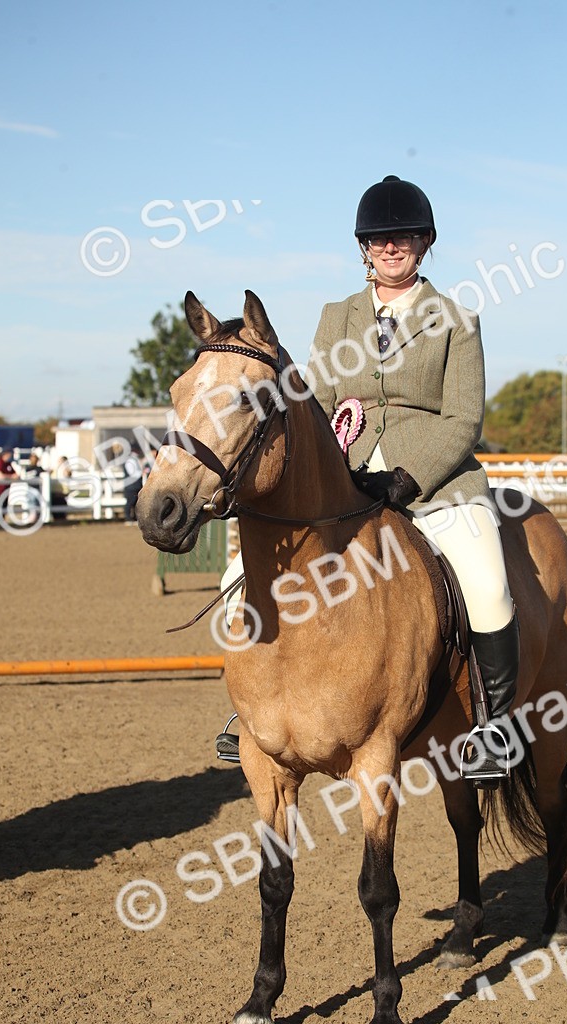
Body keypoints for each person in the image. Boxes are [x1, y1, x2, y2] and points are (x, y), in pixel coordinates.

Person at [220, 176, 518, 782]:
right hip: (347, 482)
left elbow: (464, 418)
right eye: (380, 238)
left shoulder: (456, 318)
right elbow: (318, 399)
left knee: (487, 586)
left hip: (435, 484)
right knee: (236, 578)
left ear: (425, 243)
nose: (392, 247)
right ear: (364, 247)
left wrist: (410, 478)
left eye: (404, 237)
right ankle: (251, 713)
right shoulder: (338, 316)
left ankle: (494, 727)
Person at [122, 445, 144, 524]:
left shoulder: (134, 460)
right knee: (130, 502)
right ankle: (128, 518)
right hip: (131, 486)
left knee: (136, 502)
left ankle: (134, 518)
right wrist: (141, 472)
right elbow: (133, 473)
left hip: (136, 485)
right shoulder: (130, 461)